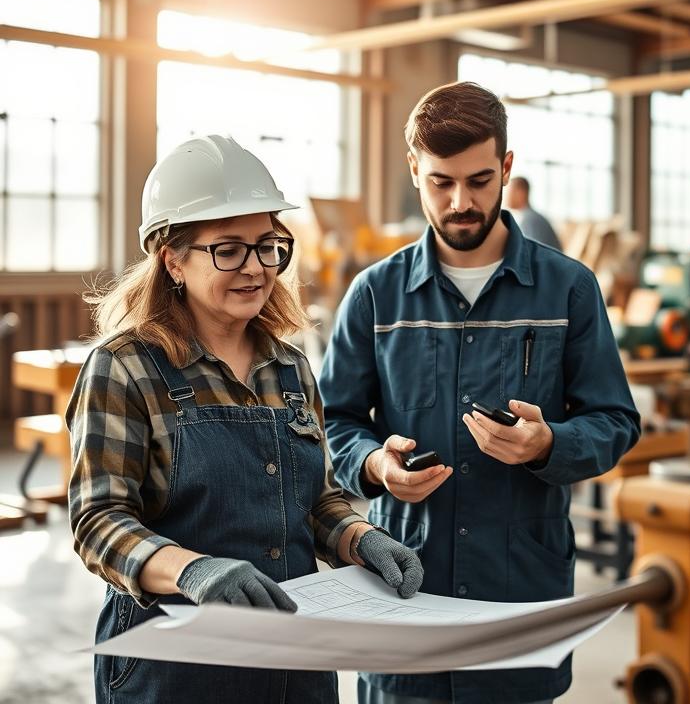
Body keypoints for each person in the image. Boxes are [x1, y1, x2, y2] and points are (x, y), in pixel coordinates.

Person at [67, 135, 424, 704]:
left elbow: (315, 502)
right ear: (172, 259)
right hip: (176, 667)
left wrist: (360, 538)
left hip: (294, 661)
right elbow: (98, 522)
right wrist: (192, 571)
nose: (257, 268)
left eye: (268, 246)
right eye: (228, 249)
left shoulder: (289, 367)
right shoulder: (125, 368)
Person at [319, 82, 641, 704]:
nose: (461, 201)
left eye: (480, 180)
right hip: (406, 582)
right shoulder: (375, 295)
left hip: (519, 589)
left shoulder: (568, 289)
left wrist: (550, 445)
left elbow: (614, 419)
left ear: (507, 168)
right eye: (441, 182)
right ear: (414, 171)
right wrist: (375, 463)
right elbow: (333, 421)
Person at [504, 177, 562, 250]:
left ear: (521, 193)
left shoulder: (530, 220)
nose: (505, 196)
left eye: (509, 191)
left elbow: (529, 255)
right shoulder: (530, 217)